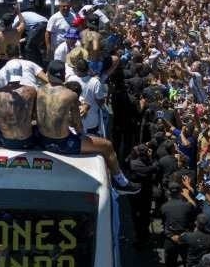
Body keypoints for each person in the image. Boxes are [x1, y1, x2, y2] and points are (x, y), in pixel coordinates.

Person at [35, 61, 138, 193]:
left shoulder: (38, 91)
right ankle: (121, 183)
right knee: (107, 146)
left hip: (41, 140)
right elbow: (77, 125)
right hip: (63, 144)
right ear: (63, 75)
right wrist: (82, 135)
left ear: (48, 74)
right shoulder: (70, 95)